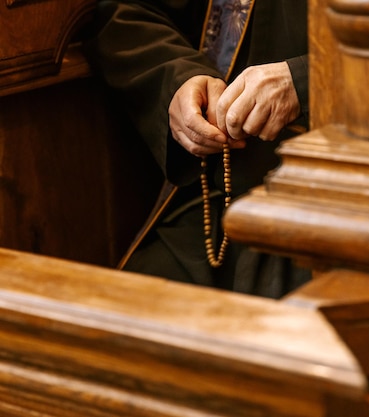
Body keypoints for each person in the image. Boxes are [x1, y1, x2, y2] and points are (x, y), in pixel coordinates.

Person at [83, 0, 311, 298]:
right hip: (215, 203)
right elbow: (128, 11)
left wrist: (306, 79)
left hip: (347, 217)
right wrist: (181, 80)